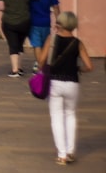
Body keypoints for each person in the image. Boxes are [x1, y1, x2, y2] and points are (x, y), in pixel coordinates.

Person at [37, 11, 93, 166]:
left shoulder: (52, 39)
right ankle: (70, 152)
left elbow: (41, 60)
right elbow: (89, 66)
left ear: (59, 24)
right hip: (72, 83)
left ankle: (61, 155)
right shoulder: (77, 43)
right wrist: (79, 69)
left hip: (55, 83)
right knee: (70, 115)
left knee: (56, 117)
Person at [0, 0, 31, 77]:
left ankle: (15, 70)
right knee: (20, 44)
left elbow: (1, 7)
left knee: (13, 45)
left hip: (9, 23)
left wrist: (6, 7)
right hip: (24, 22)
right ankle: (19, 67)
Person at [29, 0, 59, 73]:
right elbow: (56, 7)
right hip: (46, 22)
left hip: (33, 21)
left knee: (37, 45)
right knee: (44, 45)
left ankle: (40, 66)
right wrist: (58, 20)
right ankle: (43, 65)